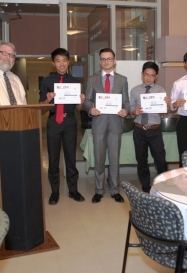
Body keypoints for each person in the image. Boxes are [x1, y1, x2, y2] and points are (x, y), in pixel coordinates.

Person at [39, 48, 85, 205]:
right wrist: (47, 99)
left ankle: (73, 190)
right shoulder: (46, 81)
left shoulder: (74, 82)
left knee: (71, 158)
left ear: (68, 62)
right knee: (53, 159)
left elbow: (78, 108)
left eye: (64, 60)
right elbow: (42, 109)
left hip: (70, 121)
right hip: (53, 122)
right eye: (58, 61)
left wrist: (81, 101)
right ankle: (55, 192)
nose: (61, 64)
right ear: (53, 63)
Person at [84, 48, 129, 203]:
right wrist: (91, 109)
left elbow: (126, 101)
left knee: (115, 159)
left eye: (109, 59)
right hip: (99, 124)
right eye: (103, 59)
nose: (106, 61)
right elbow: (87, 101)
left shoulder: (122, 80)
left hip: (116, 125)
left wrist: (125, 110)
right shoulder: (92, 80)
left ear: (114, 60)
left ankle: (115, 189)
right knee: (99, 159)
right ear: (99, 61)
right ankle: (99, 189)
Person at [130, 61, 170, 193]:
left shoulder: (161, 91)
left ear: (156, 76)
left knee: (160, 160)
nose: (149, 78)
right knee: (141, 160)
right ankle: (146, 187)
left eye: (152, 75)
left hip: (154, 130)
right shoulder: (135, 90)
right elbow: (130, 108)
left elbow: (165, 112)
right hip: (139, 129)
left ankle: (163, 187)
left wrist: (168, 105)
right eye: (146, 74)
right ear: (142, 74)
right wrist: (134, 111)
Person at [0, 40, 26, 105]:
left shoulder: (16, 79)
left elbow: (23, 103)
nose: (8, 57)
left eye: (11, 55)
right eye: (4, 53)